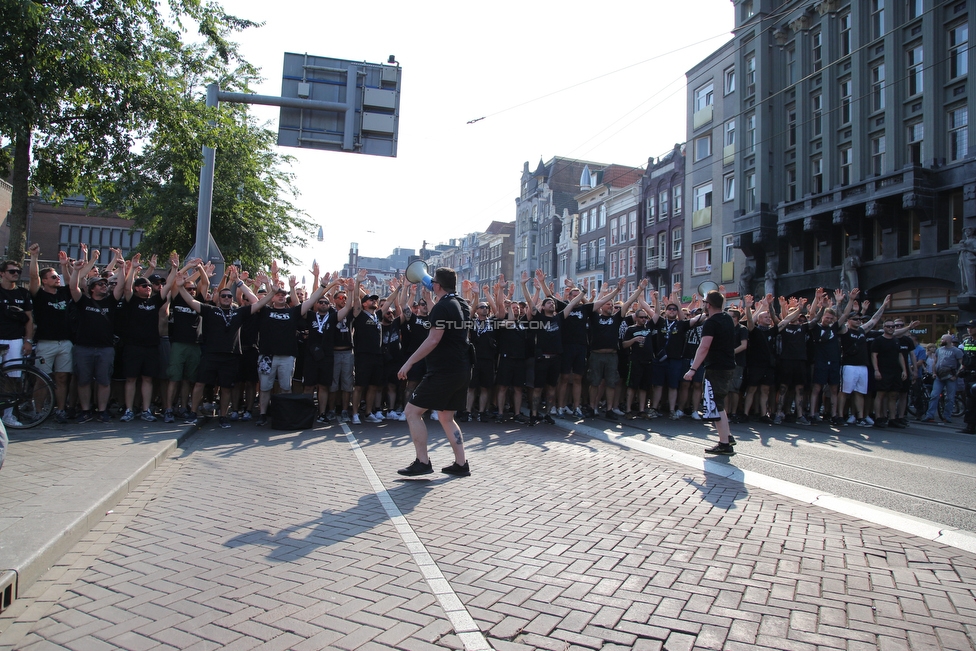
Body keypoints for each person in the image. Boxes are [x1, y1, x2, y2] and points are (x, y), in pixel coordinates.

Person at [396, 267, 473, 477]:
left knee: (412, 412)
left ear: (436, 285)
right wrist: (431, 300)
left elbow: (433, 339)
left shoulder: (442, 306)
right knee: (446, 416)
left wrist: (409, 362)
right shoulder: (461, 304)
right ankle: (461, 464)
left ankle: (423, 461)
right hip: (461, 368)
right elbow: (443, 319)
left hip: (443, 371)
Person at [68, 249, 126, 423]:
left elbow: (121, 287)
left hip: (105, 348)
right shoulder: (83, 301)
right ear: (92, 288)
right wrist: (77, 270)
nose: (104, 286)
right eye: (100, 284)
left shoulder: (110, 302)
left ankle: (102, 411)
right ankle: (85, 410)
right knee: (84, 381)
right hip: (83, 347)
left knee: (104, 381)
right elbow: (73, 287)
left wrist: (122, 268)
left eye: (105, 284)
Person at [683, 290, 737, 455]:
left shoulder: (711, 322)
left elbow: (704, 346)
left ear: (709, 304)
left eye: (705, 302)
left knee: (716, 403)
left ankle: (724, 443)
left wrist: (693, 369)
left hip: (716, 367)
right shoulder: (727, 318)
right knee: (719, 401)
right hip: (728, 365)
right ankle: (727, 434)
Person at [28, 244, 73, 423]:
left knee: (62, 378)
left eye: (57, 276)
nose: (57, 279)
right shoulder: (38, 294)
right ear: (44, 281)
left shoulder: (63, 292)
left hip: (65, 342)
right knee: (42, 380)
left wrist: (64, 266)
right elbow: (32, 277)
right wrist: (34, 257)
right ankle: (38, 411)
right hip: (46, 342)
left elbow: (71, 282)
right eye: (53, 277)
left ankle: (60, 410)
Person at [0, 259, 34, 427]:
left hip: (15, 339)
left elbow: (29, 320)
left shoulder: (23, 293)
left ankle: (8, 415)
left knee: (13, 379)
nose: (15, 274)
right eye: (12, 271)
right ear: (2, 273)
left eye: (17, 272)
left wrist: (28, 341)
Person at [921, 334, 963, 424]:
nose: (941, 341)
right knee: (934, 395)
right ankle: (930, 415)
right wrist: (934, 373)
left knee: (950, 398)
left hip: (950, 377)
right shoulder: (939, 350)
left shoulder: (956, 351)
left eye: (942, 339)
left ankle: (947, 416)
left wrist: (956, 376)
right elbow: (935, 362)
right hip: (939, 377)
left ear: (947, 340)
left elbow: (961, 365)